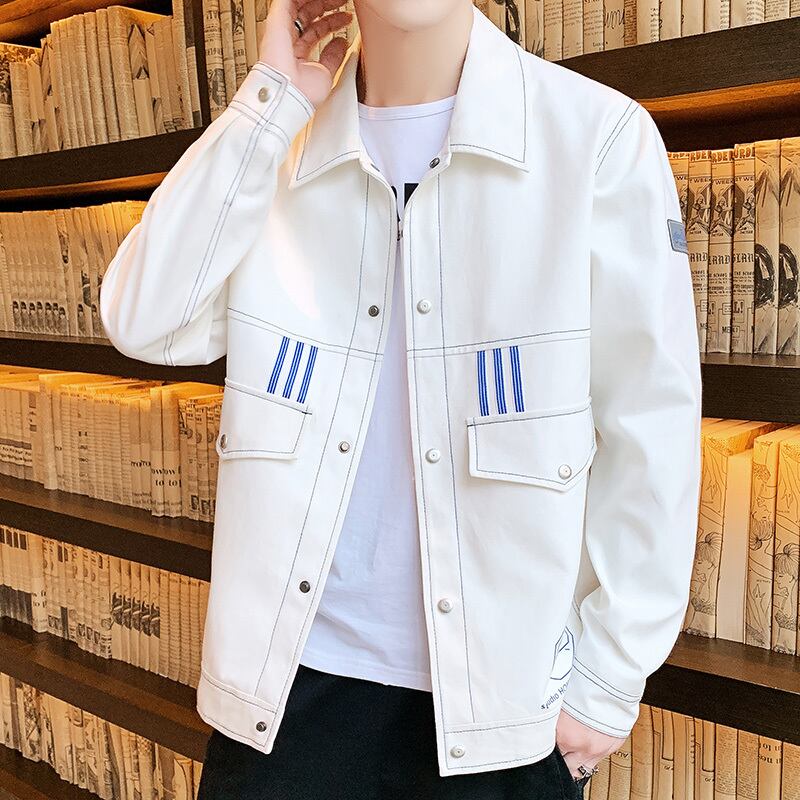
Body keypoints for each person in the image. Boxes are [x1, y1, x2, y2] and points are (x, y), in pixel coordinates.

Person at [98, 0, 703, 798]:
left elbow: (651, 427)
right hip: (286, 702)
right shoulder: (280, 144)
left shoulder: (595, 139)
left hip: (503, 716)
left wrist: (606, 681)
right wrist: (271, 97)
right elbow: (145, 319)